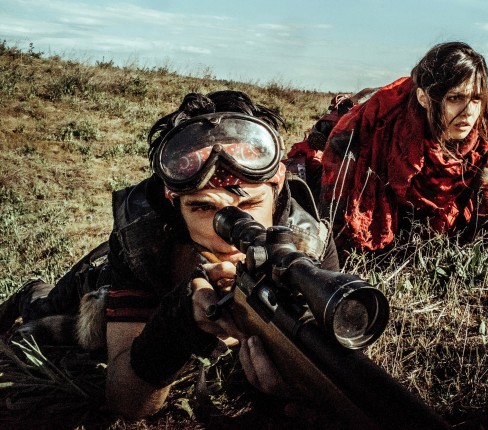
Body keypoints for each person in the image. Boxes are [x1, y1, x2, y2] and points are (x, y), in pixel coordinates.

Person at [0, 90, 338, 420]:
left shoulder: (308, 247)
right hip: (97, 279)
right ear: (174, 204)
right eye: (203, 208)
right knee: (44, 311)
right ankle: (30, 290)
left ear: (277, 188)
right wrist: (178, 322)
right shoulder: (142, 245)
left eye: (250, 203)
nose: (229, 233)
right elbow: (127, 402)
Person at [313, 42, 488, 297]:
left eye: (476, 98)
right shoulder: (381, 121)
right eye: (455, 98)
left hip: (448, 224)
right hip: (395, 211)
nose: (468, 112)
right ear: (425, 98)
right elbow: (336, 193)